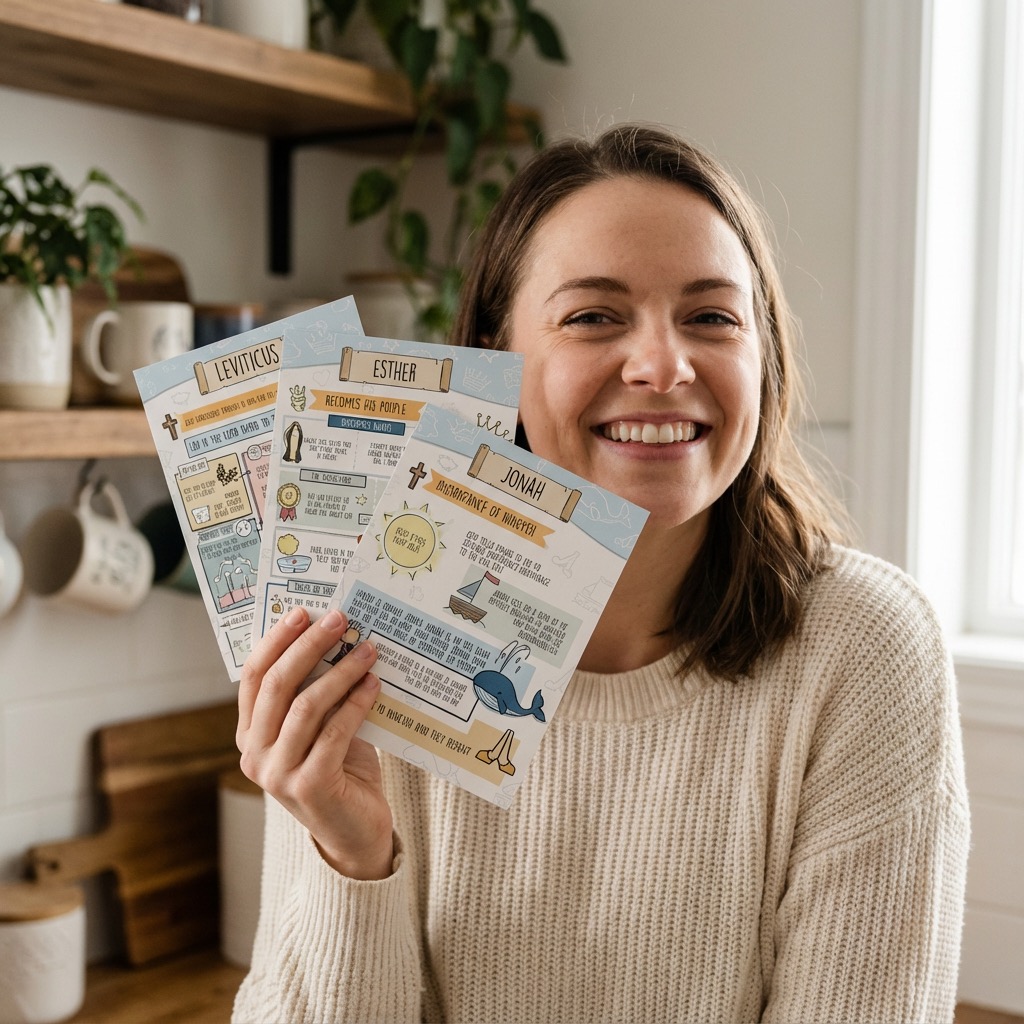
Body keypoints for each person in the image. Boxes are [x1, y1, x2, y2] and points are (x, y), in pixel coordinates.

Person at [233, 124, 970, 1023]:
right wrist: (351, 856)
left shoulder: (865, 647)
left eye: (712, 317)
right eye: (593, 316)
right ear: (497, 359)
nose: (663, 364)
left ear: (764, 358)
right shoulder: (364, 631)